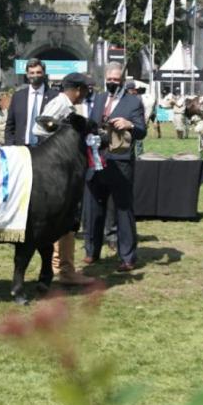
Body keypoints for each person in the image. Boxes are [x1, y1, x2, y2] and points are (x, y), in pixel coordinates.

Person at [82, 62, 147, 272]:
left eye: (116, 80)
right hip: (96, 161)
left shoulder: (133, 102)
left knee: (123, 209)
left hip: (121, 163)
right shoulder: (99, 98)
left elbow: (141, 131)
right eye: (109, 79)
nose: (112, 83)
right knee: (93, 208)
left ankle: (127, 256)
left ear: (123, 79)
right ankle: (91, 251)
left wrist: (129, 125)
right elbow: (91, 125)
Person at [32, 72, 94, 286]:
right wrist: (61, 138)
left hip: (61, 166)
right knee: (63, 216)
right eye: (85, 89)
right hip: (54, 167)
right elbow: (38, 128)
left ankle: (63, 266)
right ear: (77, 89)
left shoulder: (66, 105)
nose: (86, 94)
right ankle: (63, 269)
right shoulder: (60, 104)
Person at [4, 58, 58, 146]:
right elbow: (10, 126)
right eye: (32, 73)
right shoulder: (18, 96)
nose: (35, 75)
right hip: (21, 148)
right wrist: (10, 146)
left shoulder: (54, 97)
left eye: (38, 72)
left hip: (45, 149)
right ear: (27, 74)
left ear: (44, 73)